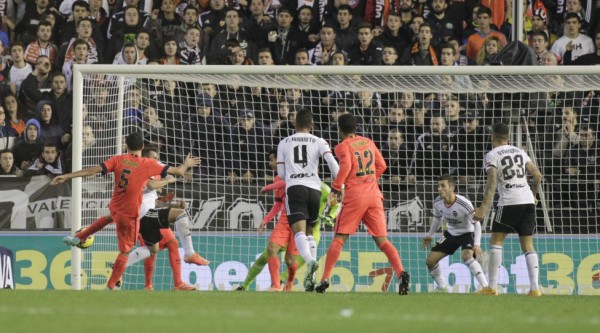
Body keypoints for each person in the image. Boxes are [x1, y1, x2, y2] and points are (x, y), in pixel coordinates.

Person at [51, 132, 200, 290]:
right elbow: (179, 172)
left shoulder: (118, 159)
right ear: (142, 147)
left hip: (115, 207)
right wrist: (186, 164)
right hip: (130, 214)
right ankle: (111, 284)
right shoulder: (148, 163)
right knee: (126, 251)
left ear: (127, 146)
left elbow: (92, 171)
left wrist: (66, 176)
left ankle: (80, 236)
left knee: (117, 224)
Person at [315, 113, 410, 295]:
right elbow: (382, 165)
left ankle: (325, 279)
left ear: (339, 129)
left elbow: (346, 167)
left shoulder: (342, 146)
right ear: (356, 128)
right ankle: (401, 273)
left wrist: (335, 189)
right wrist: (369, 180)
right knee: (382, 240)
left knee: (339, 238)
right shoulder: (368, 142)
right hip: (374, 195)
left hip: (355, 196)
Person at [236, 149, 341, 292]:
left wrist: (330, 216)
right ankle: (247, 285)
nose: (271, 163)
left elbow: (338, 204)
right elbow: (279, 200)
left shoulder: (323, 188)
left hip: (310, 229)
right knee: (268, 252)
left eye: (273, 160)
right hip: (287, 221)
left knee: (296, 259)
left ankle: (287, 281)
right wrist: (267, 218)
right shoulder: (284, 179)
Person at [473, 123, 543, 296]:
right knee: (528, 245)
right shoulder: (520, 151)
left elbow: (492, 182)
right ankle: (535, 289)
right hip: (527, 201)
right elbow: (538, 175)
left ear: (492, 137)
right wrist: (533, 195)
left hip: (509, 201)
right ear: (508, 137)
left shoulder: (492, 154)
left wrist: (483, 208)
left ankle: (492, 287)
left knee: (496, 241)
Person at [276, 108, 339, 291]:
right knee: (311, 232)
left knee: (299, 232)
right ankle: (310, 279)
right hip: (314, 189)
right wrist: (339, 185)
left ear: (294, 123)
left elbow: (280, 173)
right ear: (311, 125)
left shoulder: (284, 142)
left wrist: (292, 173)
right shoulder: (319, 141)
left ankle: (311, 261)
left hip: (295, 188)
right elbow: (332, 163)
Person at [423, 175, 489, 293]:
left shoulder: (464, 203)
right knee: (430, 261)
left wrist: (477, 244)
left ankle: (486, 288)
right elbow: (437, 220)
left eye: (443, 186)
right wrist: (429, 235)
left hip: (467, 233)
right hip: (451, 233)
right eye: (438, 186)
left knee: (466, 256)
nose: (439, 189)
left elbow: (477, 224)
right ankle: (443, 287)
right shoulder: (438, 202)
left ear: (452, 188)